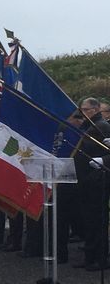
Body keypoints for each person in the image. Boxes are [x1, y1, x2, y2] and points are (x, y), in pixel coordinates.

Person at [73, 97, 110, 271]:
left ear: (94, 110)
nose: (82, 113)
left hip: (97, 180)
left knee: (97, 221)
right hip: (86, 179)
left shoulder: (101, 126)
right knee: (88, 220)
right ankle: (89, 256)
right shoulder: (88, 125)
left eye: (85, 109)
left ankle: (99, 259)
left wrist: (102, 160)